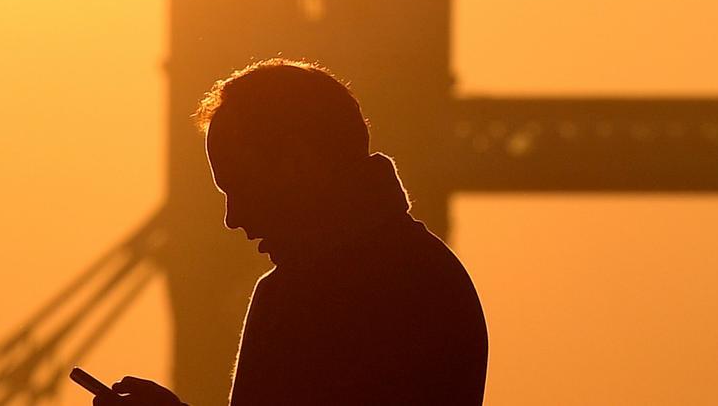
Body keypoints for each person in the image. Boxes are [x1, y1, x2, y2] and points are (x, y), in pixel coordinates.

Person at [92, 59, 488, 405]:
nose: (233, 218)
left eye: (239, 187)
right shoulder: (438, 276)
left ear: (297, 163)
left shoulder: (297, 295)